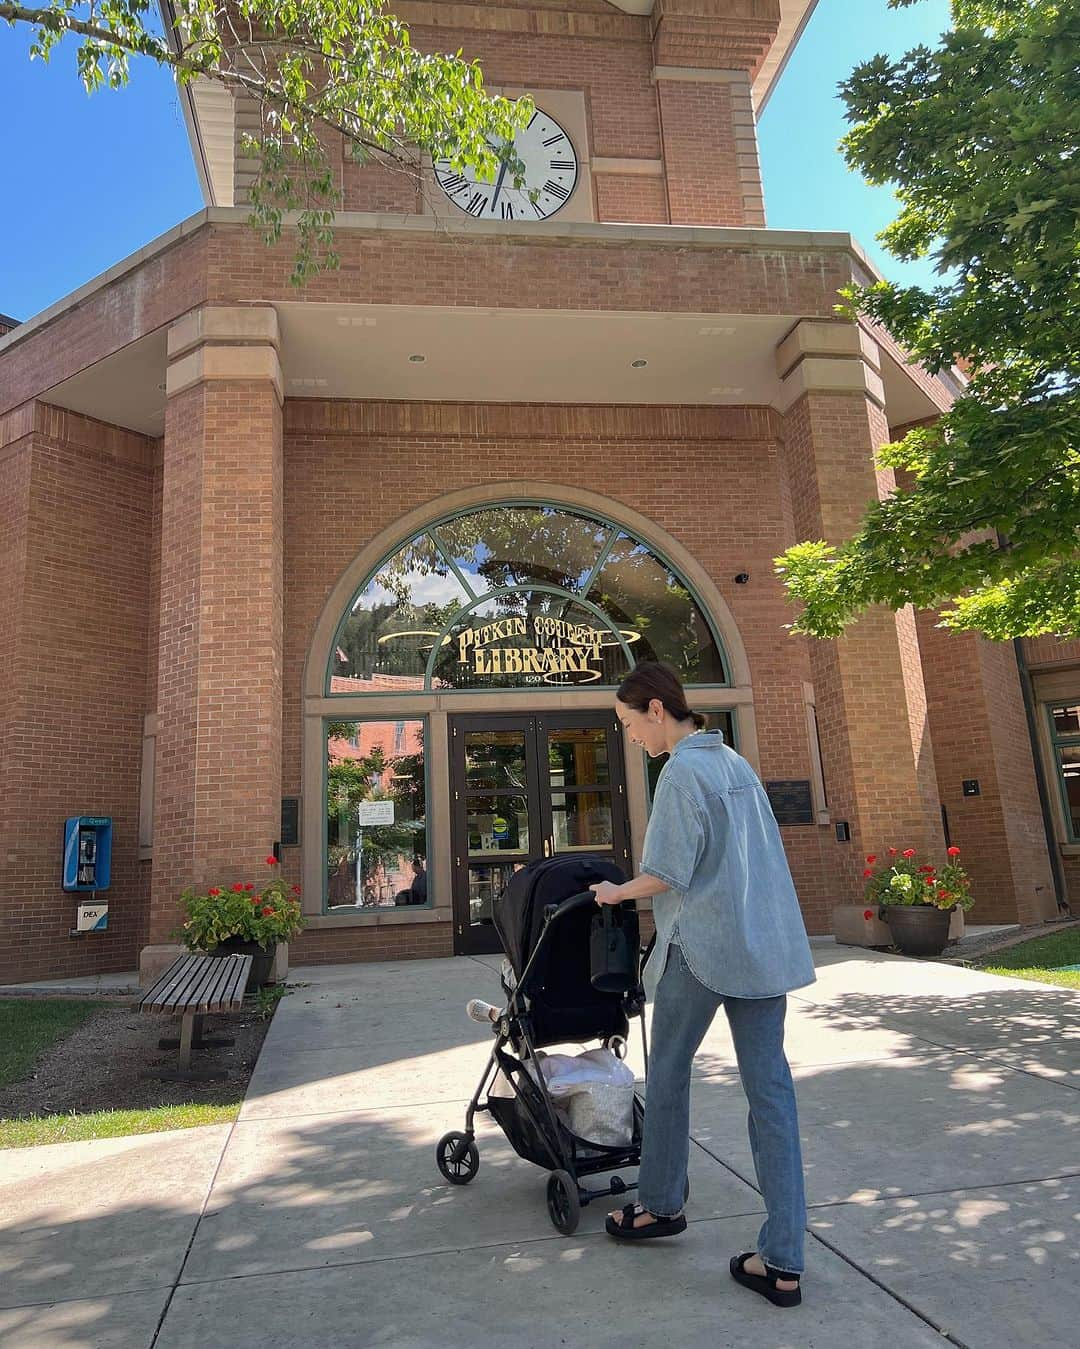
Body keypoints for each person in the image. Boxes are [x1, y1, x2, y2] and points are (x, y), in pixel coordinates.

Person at [589, 660, 815, 1310]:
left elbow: (663, 873)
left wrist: (612, 891)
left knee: (666, 1077)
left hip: (703, 948)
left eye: (630, 724)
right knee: (771, 1093)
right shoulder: (737, 765)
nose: (632, 737)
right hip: (761, 949)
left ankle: (659, 1205)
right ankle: (784, 1260)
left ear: (657, 710)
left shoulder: (681, 770)